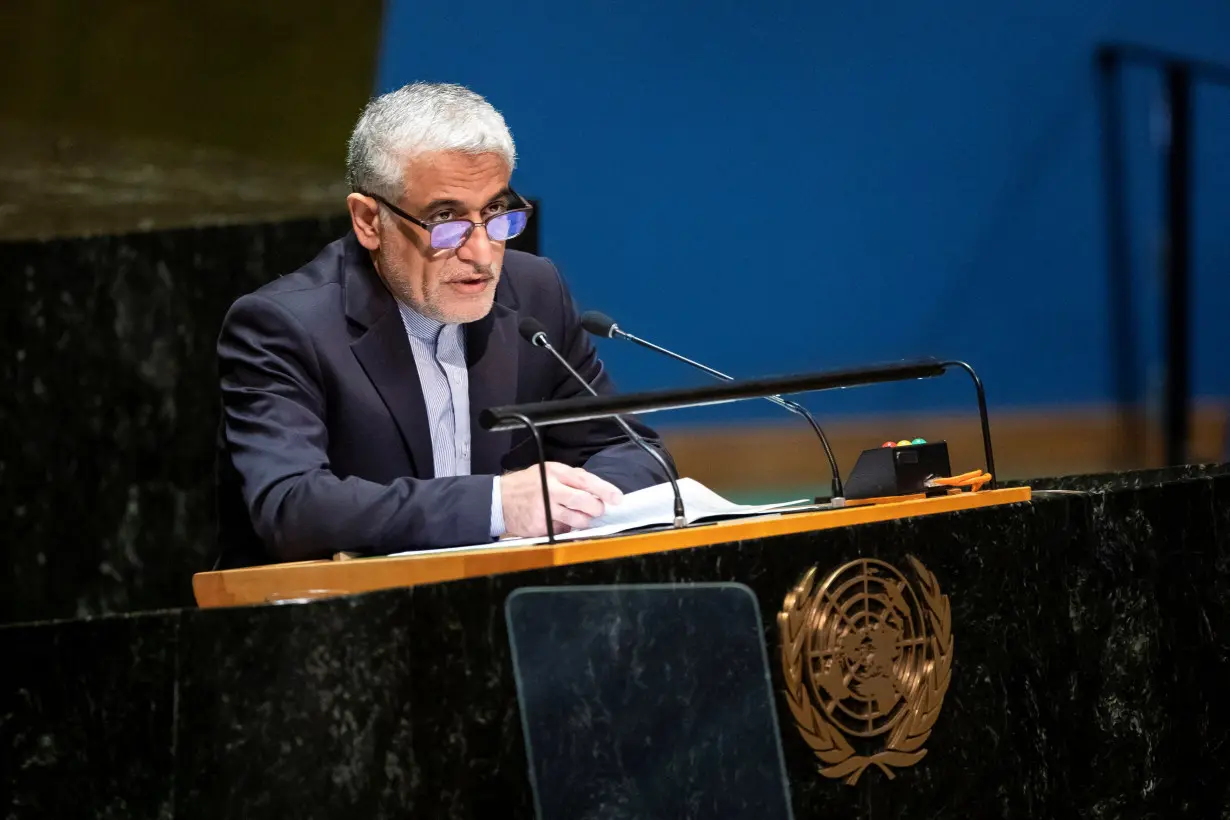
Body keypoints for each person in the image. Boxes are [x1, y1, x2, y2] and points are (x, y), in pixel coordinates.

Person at [214, 82, 675, 568]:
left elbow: (633, 449)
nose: (481, 254)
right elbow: (292, 506)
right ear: (369, 220)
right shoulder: (285, 327)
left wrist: (569, 501)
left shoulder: (534, 293)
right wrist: (497, 506)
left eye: (495, 211)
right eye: (446, 219)